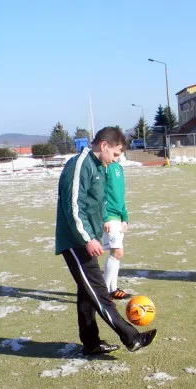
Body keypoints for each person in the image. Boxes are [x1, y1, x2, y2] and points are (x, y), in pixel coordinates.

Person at [55, 126, 156, 355]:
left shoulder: (99, 166)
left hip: (87, 238)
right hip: (75, 241)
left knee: (87, 294)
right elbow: (73, 207)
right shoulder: (80, 165)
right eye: (116, 153)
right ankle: (132, 338)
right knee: (100, 293)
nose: (116, 159)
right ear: (104, 145)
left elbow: (98, 203)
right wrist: (88, 238)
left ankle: (91, 343)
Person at [102, 151, 133, 300]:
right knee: (118, 252)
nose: (117, 156)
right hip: (109, 216)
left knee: (116, 254)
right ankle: (103, 292)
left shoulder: (118, 167)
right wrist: (105, 217)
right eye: (115, 152)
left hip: (119, 217)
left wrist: (125, 217)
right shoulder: (104, 167)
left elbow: (121, 194)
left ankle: (113, 289)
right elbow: (99, 193)